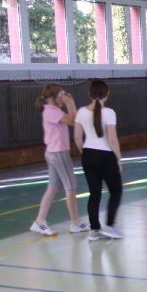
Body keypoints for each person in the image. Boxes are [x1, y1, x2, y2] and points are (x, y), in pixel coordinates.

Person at [30, 85, 88, 236]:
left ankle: (39, 222)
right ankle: (75, 223)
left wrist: (67, 103)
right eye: (61, 95)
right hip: (58, 153)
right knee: (70, 187)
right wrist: (71, 103)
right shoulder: (51, 111)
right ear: (53, 98)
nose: (63, 98)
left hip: (53, 152)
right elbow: (73, 121)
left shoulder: (52, 110)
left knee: (53, 187)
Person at [74, 79, 123, 240]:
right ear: (107, 94)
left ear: (90, 94)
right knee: (116, 191)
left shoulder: (81, 112)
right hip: (106, 156)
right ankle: (110, 225)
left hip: (88, 156)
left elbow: (77, 138)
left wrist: (84, 152)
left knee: (94, 193)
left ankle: (94, 230)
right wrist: (118, 158)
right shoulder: (109, 113)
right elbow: (112, 139)